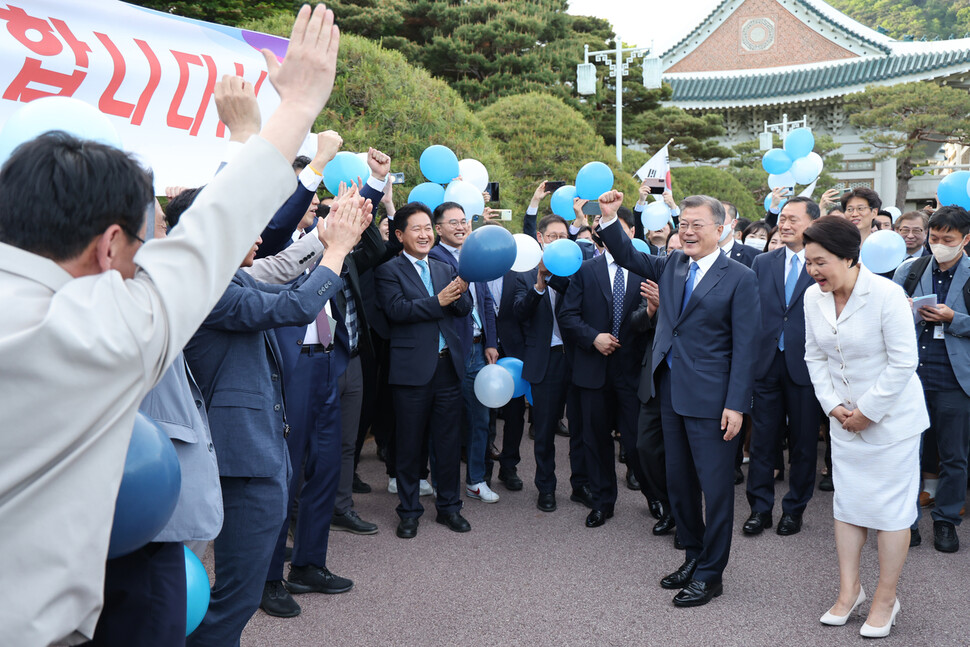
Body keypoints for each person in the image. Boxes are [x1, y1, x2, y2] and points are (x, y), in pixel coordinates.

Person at [0, 7, 340, 644]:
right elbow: (208, 237)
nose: (146, 258)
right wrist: (297, 104)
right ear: (109, 246)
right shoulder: (98, 330)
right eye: (142, 240)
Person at [597, 191, 760, 607]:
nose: (686, 232)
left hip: (714, 400)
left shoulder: (740, 277)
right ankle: (693, 554)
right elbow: (629, 256)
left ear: (720, 230)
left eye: (696, 225)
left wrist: (737, 404)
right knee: (680, 483)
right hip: (669, 392)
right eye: (682, 224)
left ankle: (711, 574)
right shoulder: (673, 265)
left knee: (717, 489)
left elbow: (746, 348)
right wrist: (612, 217)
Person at [802, 216, 929, 638]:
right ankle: (849, 592)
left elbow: (904, 362)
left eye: (821, 262)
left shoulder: (887, 295)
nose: (814, 271)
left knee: (892, 514)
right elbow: (814, 358)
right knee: (849, 507)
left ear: (850, 257)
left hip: (891, 424)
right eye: (808, 263)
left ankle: (885, 599)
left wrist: (868, 412)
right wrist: (835, 407)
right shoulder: (811, 298)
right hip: (844, 422)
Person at [375, 202, 473, 539]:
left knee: (447, 443)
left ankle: (449, 508)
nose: (424, 234)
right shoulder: (389, 270)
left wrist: (461, 292)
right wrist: (439, 301)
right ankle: (409, 511)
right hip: (411, 372)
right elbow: (396, 311)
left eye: (428, 228)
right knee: (409, 445)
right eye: (416, 229)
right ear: (400, 235)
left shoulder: (445, 268)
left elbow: (463, 308)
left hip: (447, 369)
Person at [559, 206, 649, 527]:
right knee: (595, 441)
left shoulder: (646, 271)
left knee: (640, 442)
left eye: (620, 229)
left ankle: (656, 499)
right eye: (606, 228)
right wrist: (593, 337)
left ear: (632, 234)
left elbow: (650, 322)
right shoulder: (585, 270)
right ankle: (602, 502)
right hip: (593, 369)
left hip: (633, 372)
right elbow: (567, 317)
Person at [743, 197, 821, 538]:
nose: (785, 224)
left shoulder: (823, 262)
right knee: (762, 440)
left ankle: (795, 509)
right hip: (766, 362)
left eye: (793, 219)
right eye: (783, 218)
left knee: (804, 443)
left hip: (806, 364)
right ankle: (759, 509)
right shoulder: (763, 261)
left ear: (812, 224)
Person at [893, 206, 970, 553]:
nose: (938, 245)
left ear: (965, 239)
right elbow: (888, 318)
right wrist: (910, 312)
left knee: (954, 456)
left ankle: (946, 520)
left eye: (947, 240)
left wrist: (953, 317)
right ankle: (907, 522)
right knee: (909, 452)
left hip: (956, 378)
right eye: (934, 238)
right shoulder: (910, 269)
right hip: (911, 375)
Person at [514, 214, 592, 512]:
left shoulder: (578, 273)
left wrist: (558, 279)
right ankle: (545, 488)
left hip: (577, 359)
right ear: (541, 239)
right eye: (553, 236)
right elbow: (519, 312)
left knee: (580, 427)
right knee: (544, 429)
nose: (558, 241)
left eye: (564, 236)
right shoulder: (523, 273)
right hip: (544, 361)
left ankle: (580, 485)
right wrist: (539, 285)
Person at [429, 201, 500, 504]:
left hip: (477, 348)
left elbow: (485, 303)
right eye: (453, 222)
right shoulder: (432, 258)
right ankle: (437, 479)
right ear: (438, 228)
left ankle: (476, 479)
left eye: (464, 220)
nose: (461, 226)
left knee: (479, 417)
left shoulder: (475, 254)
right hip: (447, 352)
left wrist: (491, 342)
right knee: (442, 420)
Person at [718, 201, 759, 267]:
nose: (716, 222)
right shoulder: (697, 253)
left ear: (733, 223)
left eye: (721, 217)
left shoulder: (753, 255)